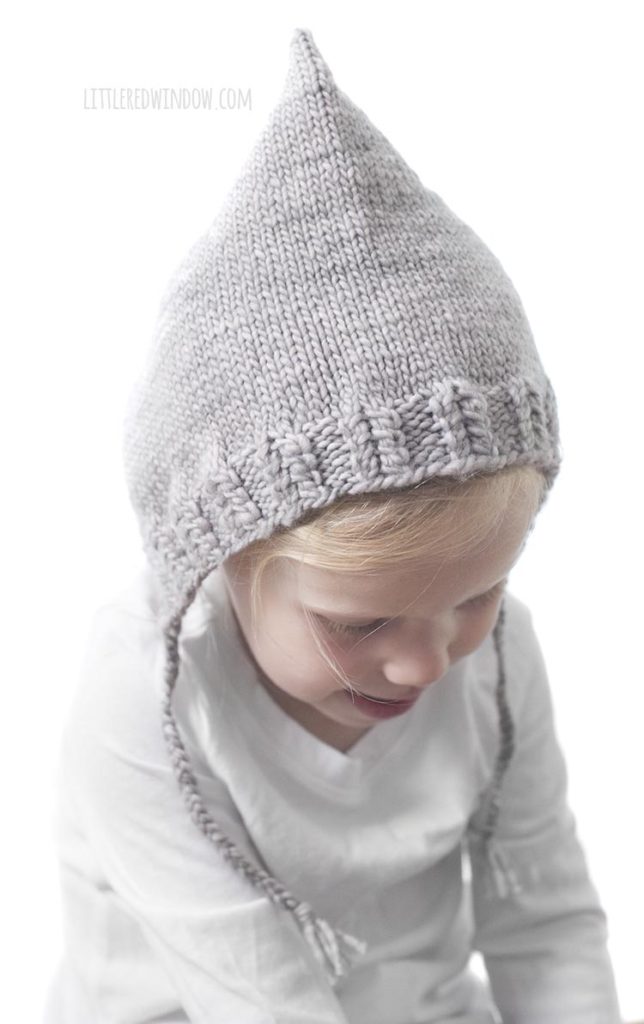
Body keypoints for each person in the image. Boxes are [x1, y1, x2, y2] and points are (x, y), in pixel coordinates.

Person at [43, 26, 624, 1024]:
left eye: (475, 593)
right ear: (221, 559)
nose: (424, 662)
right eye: (360, 624)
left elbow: (544, 921)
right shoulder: (148, 698)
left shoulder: (493, 659)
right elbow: (260, 999)